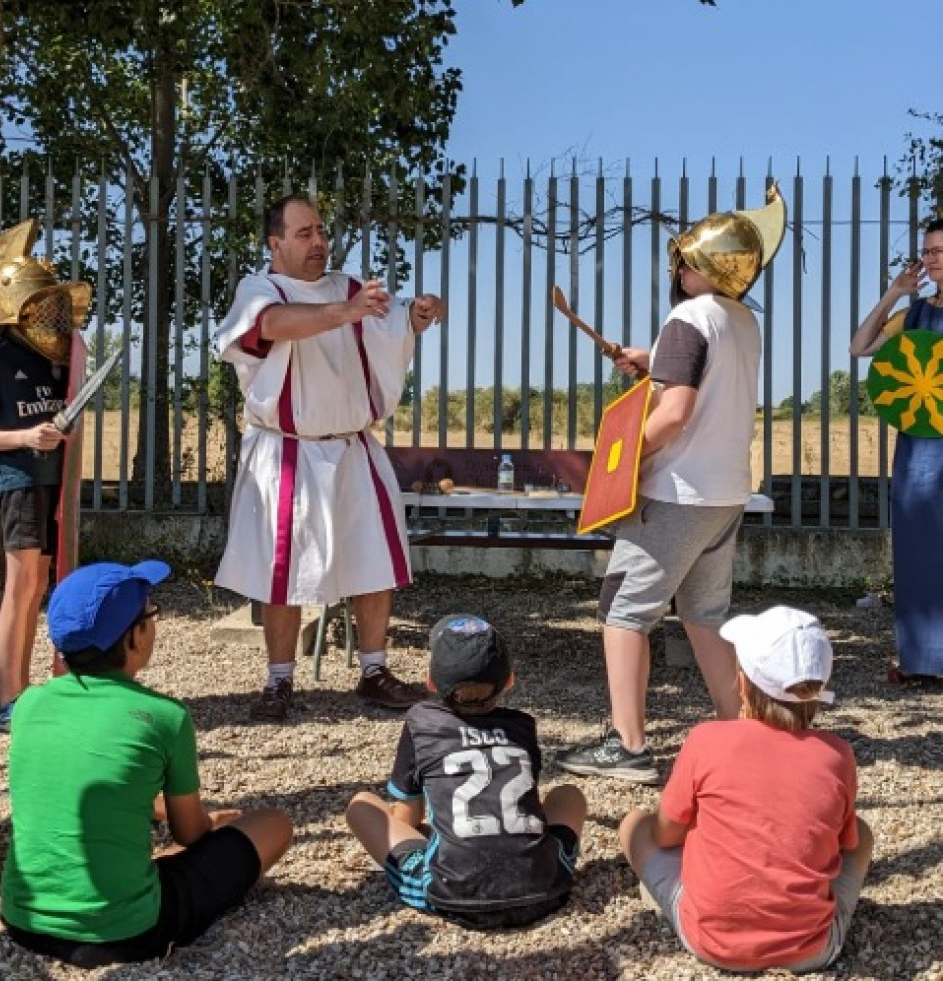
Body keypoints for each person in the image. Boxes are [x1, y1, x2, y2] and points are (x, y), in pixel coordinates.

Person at [556, 187, 787, 784]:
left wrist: (619, 461)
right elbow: (695, 376)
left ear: (700, 267)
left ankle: (628, 746)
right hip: (725, 492)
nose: (677, 268)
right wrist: (651, 358)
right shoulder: (740, 320)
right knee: (705, 614)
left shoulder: (687, 317)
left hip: (677, 493)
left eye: (685, 259)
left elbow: (676, 409)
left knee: (622, 612)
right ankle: (742, 731)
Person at [215, 195, 447, 720]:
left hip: (352, 446)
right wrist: (345, 312)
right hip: (288, 451)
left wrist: (418, 313)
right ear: (275, 243)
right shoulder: (261, 289)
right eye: (304, 234)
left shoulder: (346, 286)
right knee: (283, 571)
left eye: (321, 231)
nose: (319, 242)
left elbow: (387, 328)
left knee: (374, 560)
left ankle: (374, 670)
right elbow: (271, 326)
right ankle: (279, 681)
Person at [0, 559, 293, 967]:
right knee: (274, 824)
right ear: (135, 637)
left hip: (22, 920)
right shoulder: (165, 717)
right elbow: (190, 833)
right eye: (151, 614)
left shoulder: (28, 704)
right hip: (127, 931)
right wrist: (215, 823)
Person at [618, 606, 874, 973]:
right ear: (820, 688)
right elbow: (844, 843)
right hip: (810, 950)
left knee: (634, 824)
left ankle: (674, 893)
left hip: (710, 941)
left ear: (742, 683)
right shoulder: (837, 754)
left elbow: (663, 833)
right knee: (861, 833)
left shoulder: (706, 739)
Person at [346, 614, 587, 929]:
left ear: (430, 682)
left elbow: (407, 818)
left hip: (452, 895)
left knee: (361, 805)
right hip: (544, 891)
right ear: (510, 680)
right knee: (569, 795)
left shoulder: (422, 723)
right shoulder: (522, 726)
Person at [0, 220, 91, 732]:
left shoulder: (56, 358)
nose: (57, 314)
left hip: (53, 483)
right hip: (18, 480)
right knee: (21, 586)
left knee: (42, 582)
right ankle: (6, 698)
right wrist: (25, 437)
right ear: (20, 305)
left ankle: (39, 689)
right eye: (47, 303)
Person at [849, 217, 943, 677]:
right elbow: (859, 347)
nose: (932, 259)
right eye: (928, 251)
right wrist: (893, 294)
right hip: (921, 453)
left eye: (940, 251)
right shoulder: (915, 315)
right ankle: (922, 659)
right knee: (920, 549)